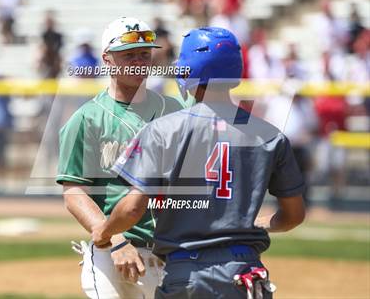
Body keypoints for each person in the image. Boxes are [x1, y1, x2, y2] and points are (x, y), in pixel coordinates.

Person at [92, 27, 306, 298]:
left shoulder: (162, 130)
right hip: (246, 272)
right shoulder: (270, 135)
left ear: (187, 71)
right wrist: (259, 223)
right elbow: (294, 216)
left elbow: (133, 209)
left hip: (187, 274)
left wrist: (105, 232)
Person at [56, 17, 182, 299]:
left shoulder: (174, 110)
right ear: (107, 59)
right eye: (129, 55)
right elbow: (74, 192)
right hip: (116, 251)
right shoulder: (86, 119)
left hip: (172, 250)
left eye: (144, 54)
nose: (139, 61)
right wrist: (114, 237)